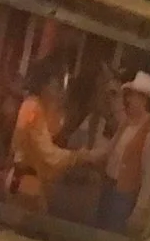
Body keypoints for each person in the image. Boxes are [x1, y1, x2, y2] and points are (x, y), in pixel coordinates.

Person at [9, 49, 97, 212]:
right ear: (44, 84)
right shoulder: (32, 107)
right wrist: (77, 157)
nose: (59, 91)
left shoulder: (40, 107)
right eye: (56, 85)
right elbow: (46, 153)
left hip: (34, 180)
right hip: (26, 182)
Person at [99, 71, 150, 231]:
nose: (128, 100)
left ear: (143, 100)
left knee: (112, 232)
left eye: (133, 96)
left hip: (124, 195)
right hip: (108, 185)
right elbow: (111, 149)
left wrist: (140, 209)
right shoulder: (126, 123)